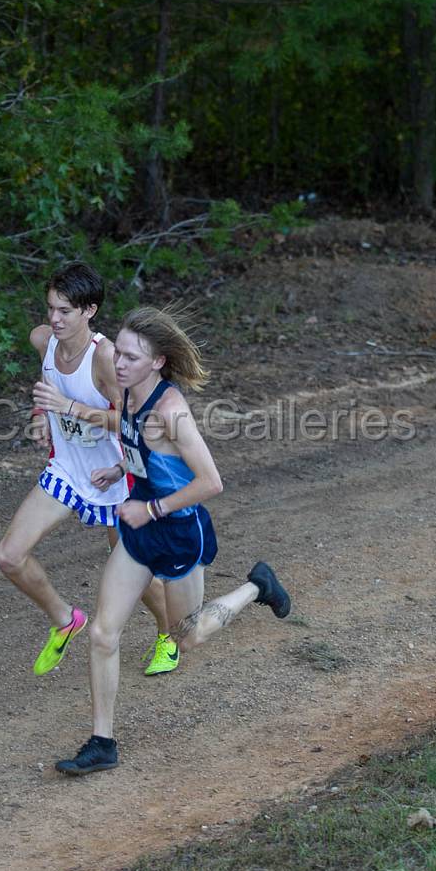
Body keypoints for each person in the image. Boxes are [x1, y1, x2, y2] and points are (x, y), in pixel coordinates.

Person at [55, 306, 292, 775]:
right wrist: (120, 469)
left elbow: (210, 481)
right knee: (103, 633)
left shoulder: (172, 410)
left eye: (130, 357)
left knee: (190, 637)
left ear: (158, 362)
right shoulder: (125, 394)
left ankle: (257, 587)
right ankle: (102, 742)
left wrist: (151, 508)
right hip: (140, 532)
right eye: (117, 353)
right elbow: (140, 444)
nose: (118, 364)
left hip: (179, 530)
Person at [0, 262, 179, 677]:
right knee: (9, 556)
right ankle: (65, 620)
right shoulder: (42, 340)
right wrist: (42, 413)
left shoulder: (106, 358)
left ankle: (170, 632)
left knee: (134, 572)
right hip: (68, 469)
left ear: (89, 311)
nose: (54, 319)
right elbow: (49, 386)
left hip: (117, 475)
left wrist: (71, 409)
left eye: (65, 311)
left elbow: (134, 419)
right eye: (51, 308)